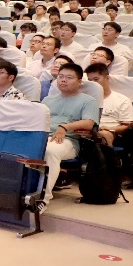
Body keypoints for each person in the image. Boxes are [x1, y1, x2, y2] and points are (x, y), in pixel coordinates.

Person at [41, 63, 100, 208]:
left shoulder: (88, 101)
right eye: (60, 76)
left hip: (68, 140)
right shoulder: (48, 100)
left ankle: (42, 198)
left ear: (79, 81)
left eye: (69, 77)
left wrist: (65, 127)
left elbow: (89, 123)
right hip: (42, 137)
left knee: (50, 151)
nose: (63, 80)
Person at [84, 62, 133, 149]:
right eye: (90, 81)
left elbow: (126, 126)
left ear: (107, 78)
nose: (93, 84)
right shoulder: (84, 99)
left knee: (103, 134)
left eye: (96, 79)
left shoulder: (122, 100)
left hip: (109, 132)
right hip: (87, 130)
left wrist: (108, 128)